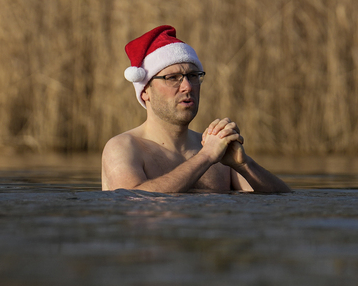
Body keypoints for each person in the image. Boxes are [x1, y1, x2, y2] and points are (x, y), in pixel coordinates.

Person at [102, 26, 290, 193]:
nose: (187, 86)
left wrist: (244, 164)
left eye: (193, 76)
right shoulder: (124, 147)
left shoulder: (217, 150)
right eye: (172, 77)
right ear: (145, 92)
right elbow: (131, 200)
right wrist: (206, 157)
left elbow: (282, 203)